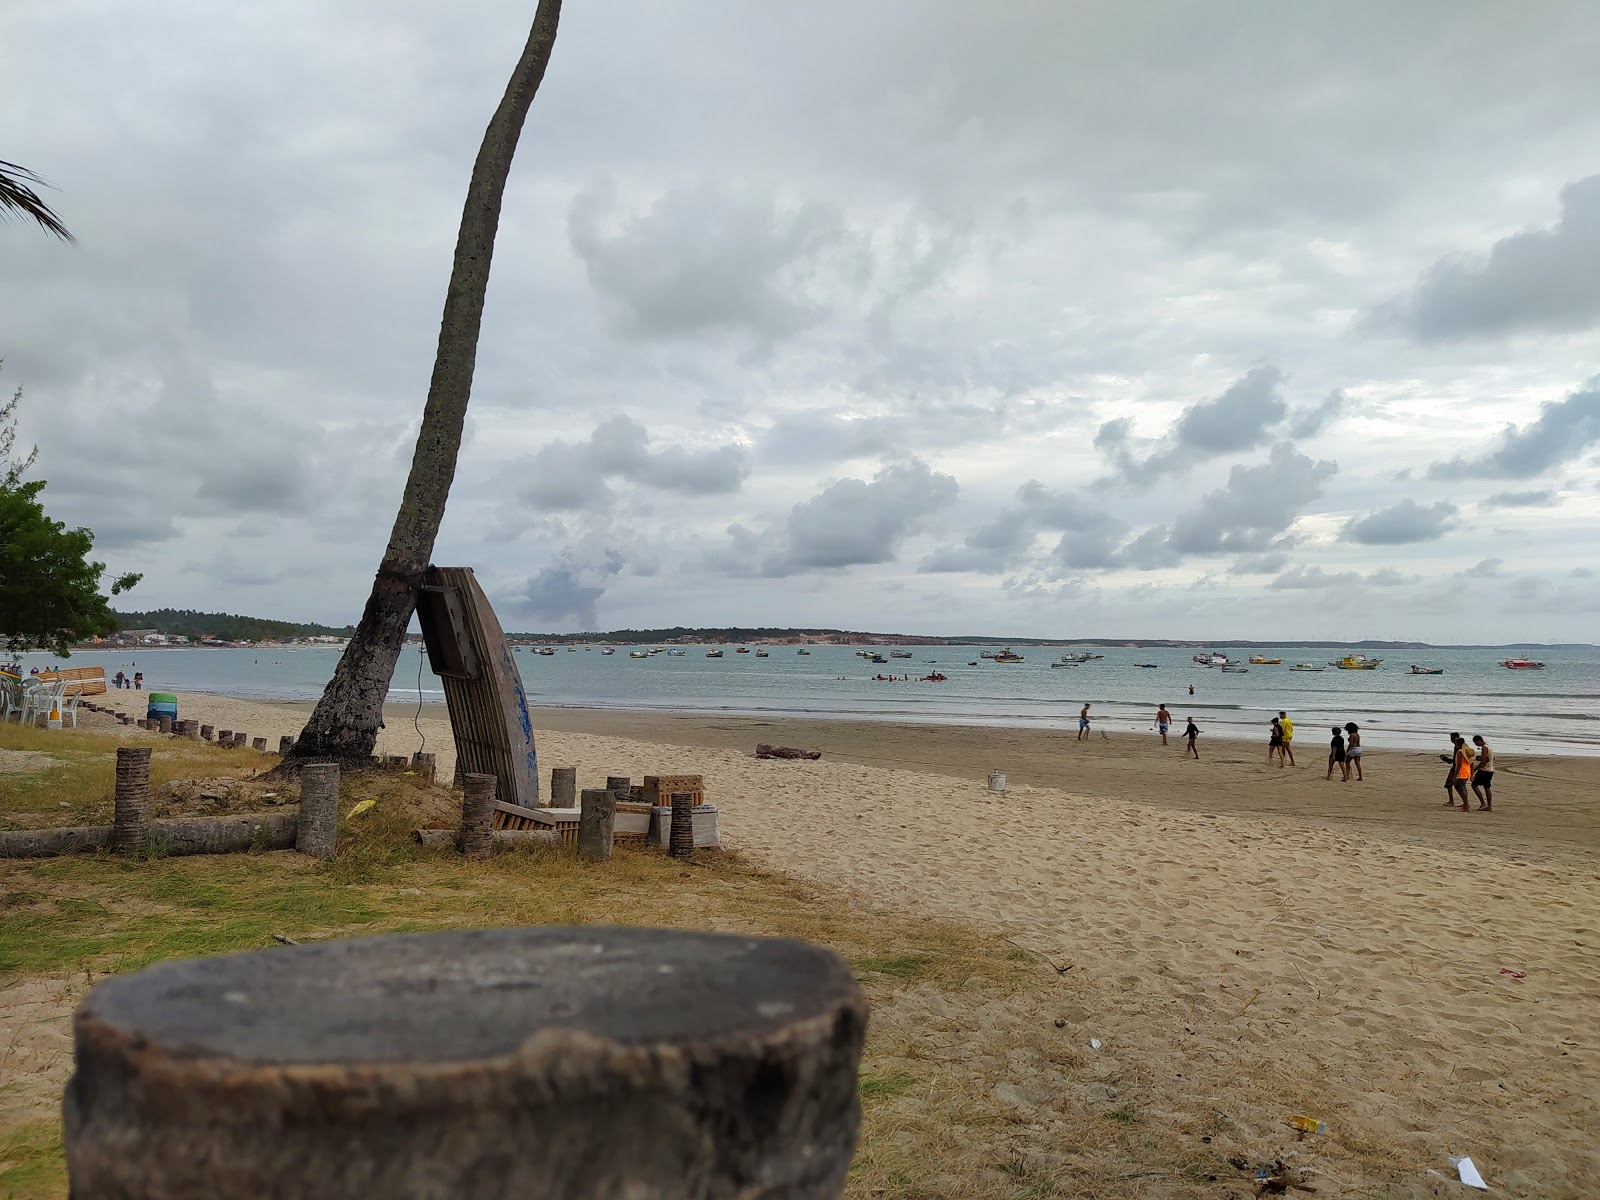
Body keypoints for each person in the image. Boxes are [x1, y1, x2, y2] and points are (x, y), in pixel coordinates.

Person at [1441, 734, 1472, 809]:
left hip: (1459, 769)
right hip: (1465, 770)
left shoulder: (1459, 750)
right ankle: (1465, 802)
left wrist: (1455, 774)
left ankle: (1455, 801)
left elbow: (1458, 763)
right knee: (1462, 786)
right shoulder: (1465, 749)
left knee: (1452, 785)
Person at [1471, 735, 1495, 811]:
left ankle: (1483, 803)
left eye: (1475, 743)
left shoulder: (1484, 747)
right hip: (1490, 770)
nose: (1476, 745)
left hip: (1484, 770)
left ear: (1478, 741)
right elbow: (1492, 758)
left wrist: (1475, 769)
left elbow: (1483, 762)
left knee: (1474, 785)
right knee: (1487, 787)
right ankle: (1489, 806)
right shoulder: (1489, 747)